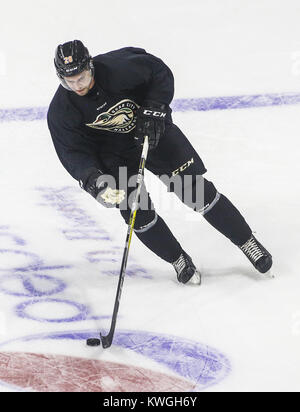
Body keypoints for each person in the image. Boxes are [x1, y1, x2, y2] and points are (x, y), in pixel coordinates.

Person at [47, 40, 273, 285]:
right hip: (115, 156)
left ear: (90, 66)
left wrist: (155, 108)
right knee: (136, 212)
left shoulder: (119, 67)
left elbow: (159, 72)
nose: (77, 86)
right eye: (68, 82)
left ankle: (248, 241)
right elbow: (72, 152)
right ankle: (178, 259)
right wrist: (93, 178)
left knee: (195, 191)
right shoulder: (61, 111)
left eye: (81, 78)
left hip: (153, 135)